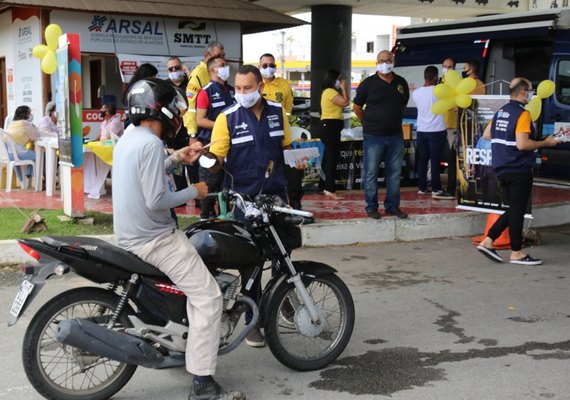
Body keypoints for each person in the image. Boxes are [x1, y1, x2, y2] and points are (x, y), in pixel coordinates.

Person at [113, 78, 245, 400]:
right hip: (155, 239)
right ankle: (202, 382)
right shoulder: (150, 143)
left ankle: (181, 344)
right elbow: (157, 200)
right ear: (162, 110)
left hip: (131, 235)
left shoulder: (129, 138)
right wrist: (195, 191)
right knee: (210, 297)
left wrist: (178, 157)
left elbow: (149, 171)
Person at [210, 65, 293, 347]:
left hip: (276, 197)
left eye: (247, 88)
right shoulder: (226, 118)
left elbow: (287, 149)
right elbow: (217, 157)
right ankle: (252, 321)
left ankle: (285, 303)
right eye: (238, 88)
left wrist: (303, 161)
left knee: (284, 254)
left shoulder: (278, 112)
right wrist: (211, 160)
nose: (242, 93)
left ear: (260, 86)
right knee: (252, 261)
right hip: (244, 202)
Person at [477, 77, 560, 266]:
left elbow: (487, 134)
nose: (532, 94)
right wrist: (546, 143)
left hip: (501, 167)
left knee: (515, 209)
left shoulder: (501, 111)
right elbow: (523, 144)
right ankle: (516, 252)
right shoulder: (522, 114)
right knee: (517, 209)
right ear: (523, 93)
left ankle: (489, 241)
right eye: (531, 90)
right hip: (518, 168)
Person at [353, 50, 410, 220]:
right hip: (373, 136)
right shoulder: (368, 84)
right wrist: (368, 122)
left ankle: (392, 206)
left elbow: (403, 104)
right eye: (381, 60)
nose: (385, 63)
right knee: (371, 173)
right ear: (376, 63)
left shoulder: (401, 82)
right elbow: (356, 107)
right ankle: (371, 206)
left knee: (394, 173)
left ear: (393, 61)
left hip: (395, 135)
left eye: (388, 60)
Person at [258, 53, 302, 209]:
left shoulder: (283, 84)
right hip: (260, 133)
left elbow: (288, 109)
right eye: (265, 65)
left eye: (272, 65)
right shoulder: (256, 84)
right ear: (259, 67)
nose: (268, 68)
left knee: (291, 166)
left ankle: (295, 201)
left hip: (281, 132)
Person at [196, 56, 234, 220]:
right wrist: (222, 127)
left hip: (230, 146)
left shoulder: (232, 90)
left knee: (226, 186)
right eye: (222, 65)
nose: (226, 67)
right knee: (210, 184)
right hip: (210, 145)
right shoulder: (206, 92)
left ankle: (225, 217)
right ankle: (205, 217)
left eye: (226, 65)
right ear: (212, 70)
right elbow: (200, 119)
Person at [413, 66, 447, 196]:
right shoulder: (439, 91)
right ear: (435, 77)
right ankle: (436, 188)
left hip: (421, 130)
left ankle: (421, 187)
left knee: (422, 159)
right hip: (437, 130)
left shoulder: (416, 92)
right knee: (435, 160)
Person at [185, 41, 226, 141]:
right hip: (204, 132)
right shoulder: (198, 75)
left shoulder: (219, 71)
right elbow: (191, 107)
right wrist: (193, 134)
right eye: (218, 55)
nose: (221, 58)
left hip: (220, 131)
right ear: (207, 55)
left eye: (223, 55)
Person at [320, 69, 349, 200]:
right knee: (332, 158)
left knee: (328, 157)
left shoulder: (329, 92)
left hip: (331, 127)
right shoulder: (330, 91)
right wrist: (344, 88)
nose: (342, 81)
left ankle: (325, 186)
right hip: (330, 127)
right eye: (340, 79)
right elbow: (345, 102)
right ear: (333, 80)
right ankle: (330, 189)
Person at [433, 57, 459, 200]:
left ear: (454, 69)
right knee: (436, 156)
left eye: (450, 67)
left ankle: (451, 188)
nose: (447, 69)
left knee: (451, 158)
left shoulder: (457, 83)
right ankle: (435, 185)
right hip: (437, 125)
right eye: (445, 66)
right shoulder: (439, 82)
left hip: (451, 126)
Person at [6, 105, 40, 181]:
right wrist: (34, 127)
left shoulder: (12, 123)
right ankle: (35, 177)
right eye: (29, 113)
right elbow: (36, 136)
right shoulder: (25, 123)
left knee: (33, 153)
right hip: (20, 154)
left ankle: (27, 175)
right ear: (25, 114)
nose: (31, 115)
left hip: (10, 155)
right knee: (41, 155)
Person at [122, 63, 158, 128]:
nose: (155, 79)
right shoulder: (139, 90)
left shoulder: (133, 87)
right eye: (154, 77)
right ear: (148, 76)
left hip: (130, 124)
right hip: (136, 124)